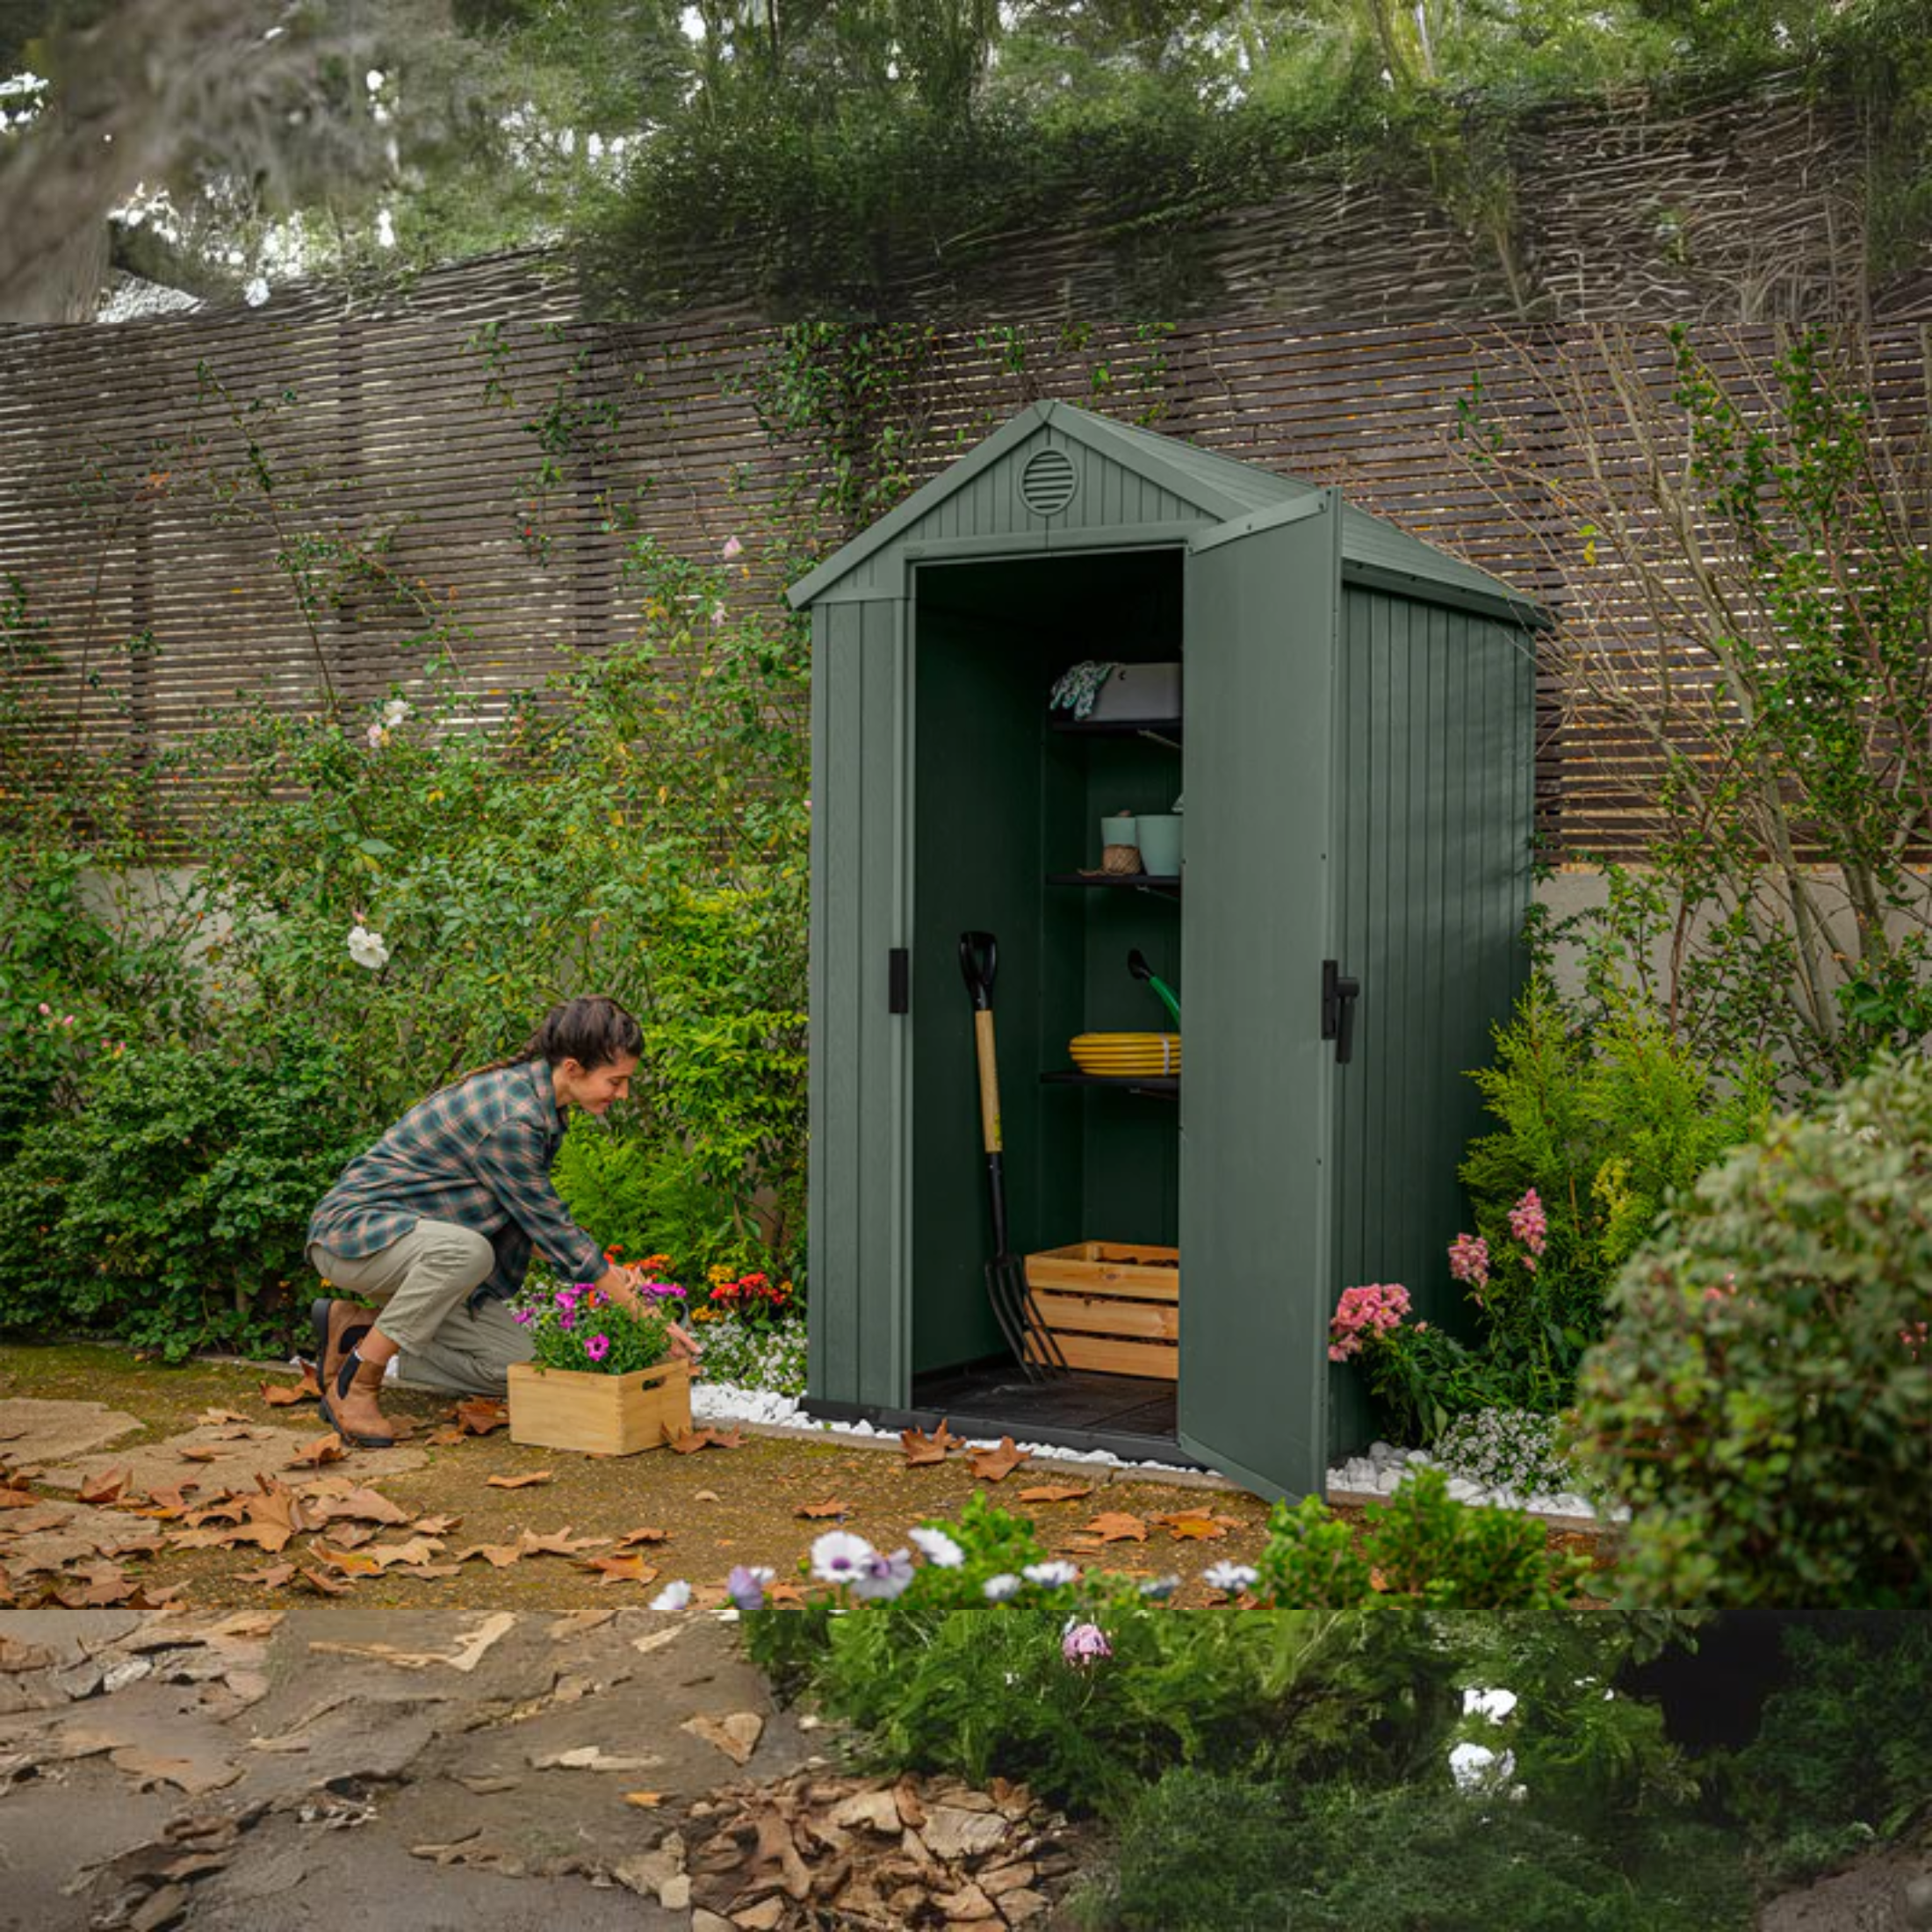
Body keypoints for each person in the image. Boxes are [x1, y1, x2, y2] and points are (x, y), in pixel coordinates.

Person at [305, 995, 696, 1448]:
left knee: (520, 1369)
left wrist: (615, 1282)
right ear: (572, 1068)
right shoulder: (513, 1117)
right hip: (356, 1236)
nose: (623, 1094)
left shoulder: (541, 1105)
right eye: (617, 1081)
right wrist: (644, 1316)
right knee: (468, 1252)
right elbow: (551, 1228)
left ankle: (360, 1328)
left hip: (417, 1257)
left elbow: (534, 1226)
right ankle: (357, 1382)